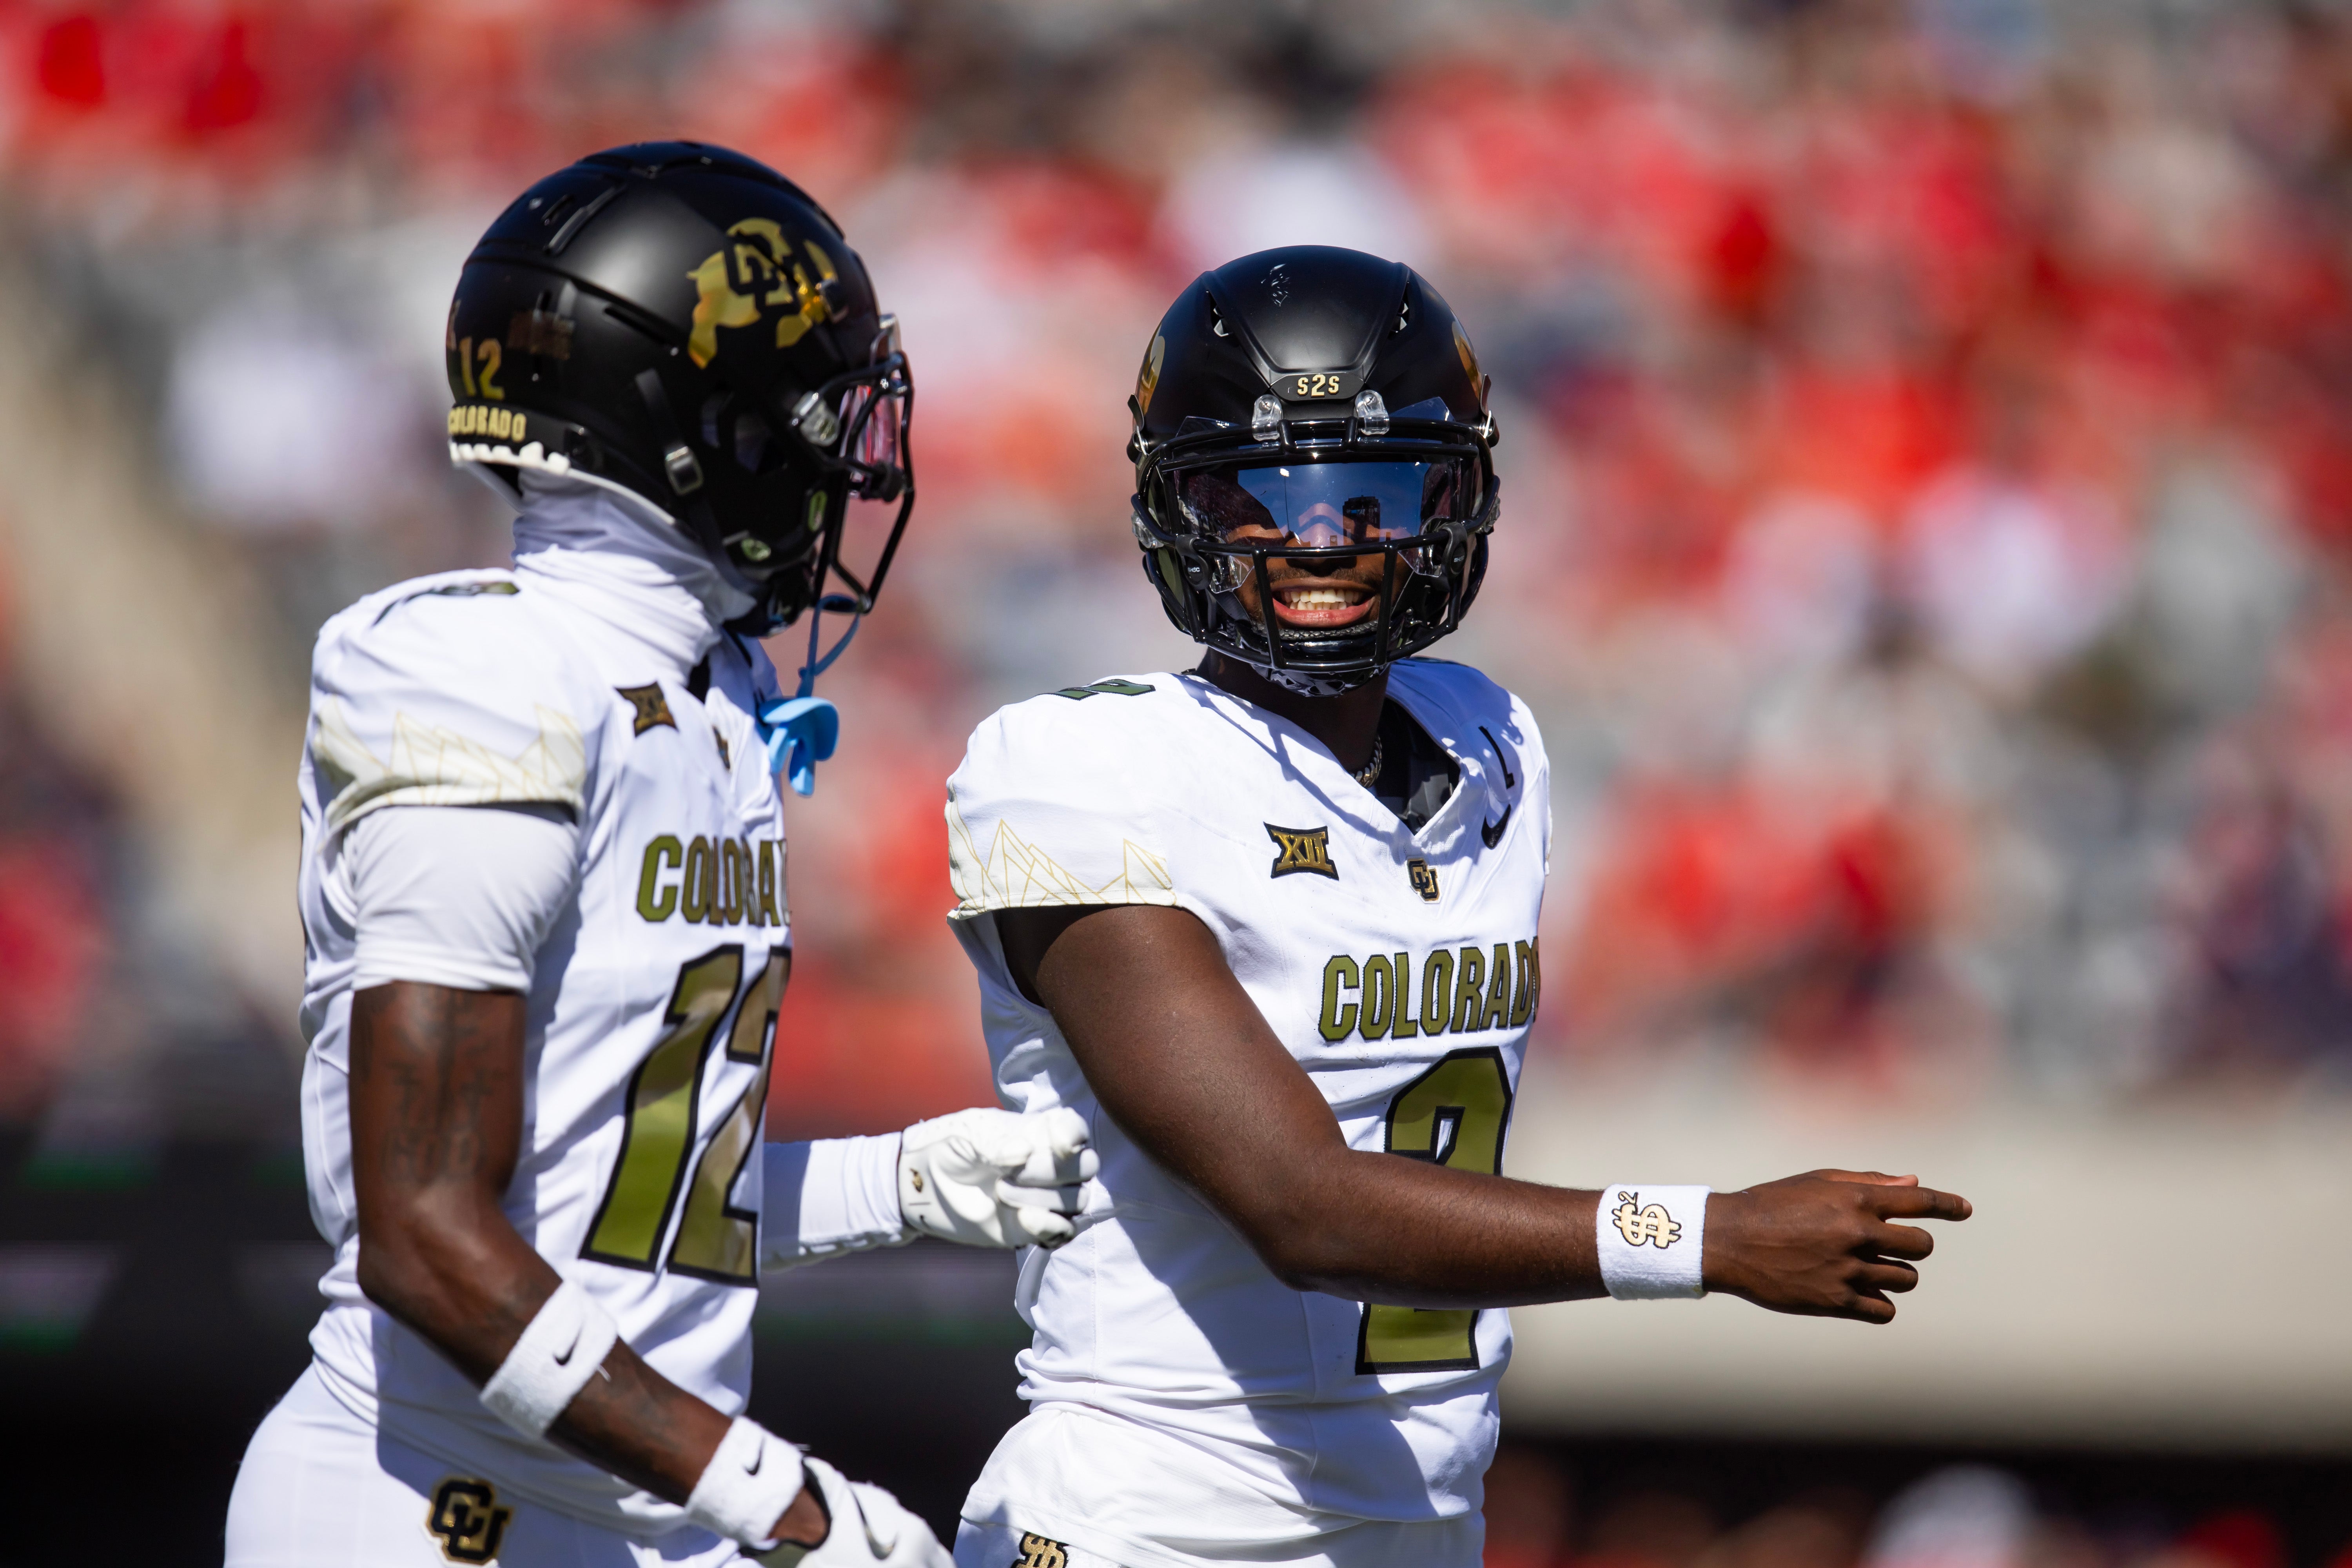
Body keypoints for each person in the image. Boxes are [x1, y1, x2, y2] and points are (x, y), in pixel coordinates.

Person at [938, 246, 1973, 1568]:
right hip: (1149, 1518)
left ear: (1454, 498)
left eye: (1374, 491)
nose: (1323, 539)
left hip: (1421, 1515)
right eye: (1262, 494)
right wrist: (1704, 1236)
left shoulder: (1493, 740)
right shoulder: (1081, 769)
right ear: (1180, 505)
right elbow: (1298, 1203)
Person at [225, 143, 1096, 1568]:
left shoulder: (711, 696)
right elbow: (429, 1237)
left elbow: (623, 1202)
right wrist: (781, 1504)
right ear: (702, 424)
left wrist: (902, 1186)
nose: (847, 459)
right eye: (813, 414)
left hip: (611, 1513)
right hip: (425, 1512)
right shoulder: (491, 671)